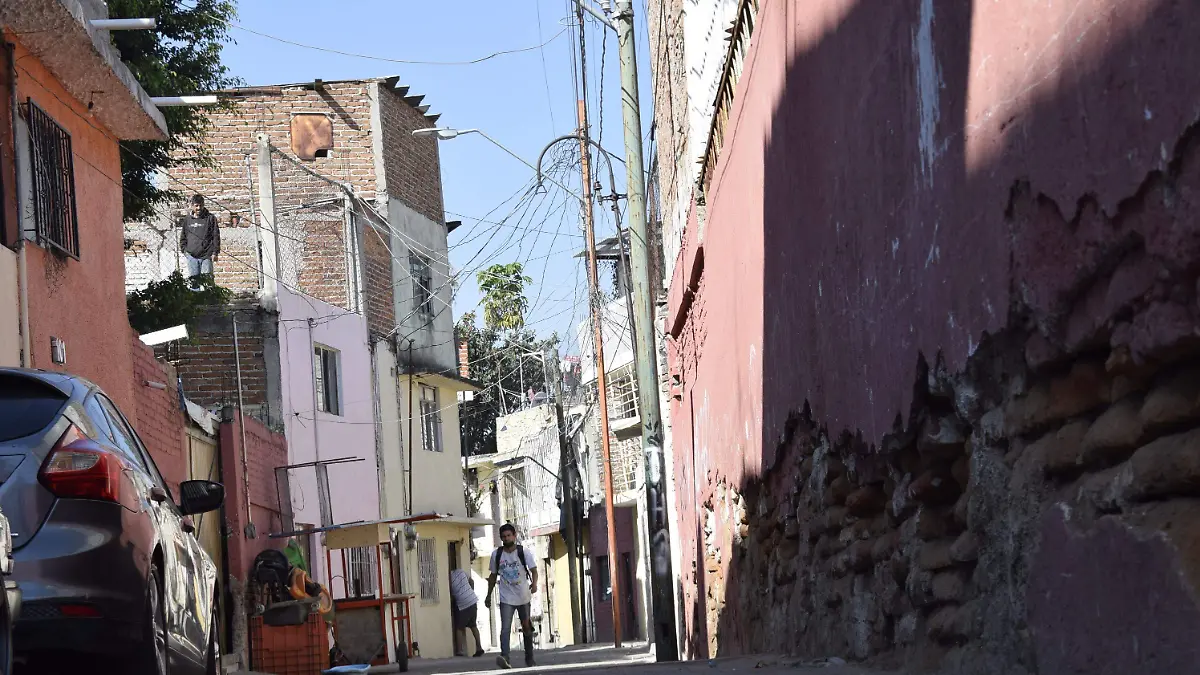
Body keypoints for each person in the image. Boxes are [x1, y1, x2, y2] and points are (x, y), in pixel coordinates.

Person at [485, 523, 537, 669]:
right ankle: (505, 657)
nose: (506, 539)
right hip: (506, 596)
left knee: (526, 626)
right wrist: (488, 595)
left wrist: (534, 585)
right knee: (505, 628)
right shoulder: (497, 554)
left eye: (509, 536)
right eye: (503, 537)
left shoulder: (523, 552)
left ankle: (529, 657)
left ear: (514, 536)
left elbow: (534, 570)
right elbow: (493, 575)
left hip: (523, 595)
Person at [178, 194, 220, 280]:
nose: (198, 208)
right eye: (196, 205)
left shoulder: (210, 218)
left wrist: (215, 252)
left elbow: (216, 236)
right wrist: (185, 251)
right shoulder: (188, 219)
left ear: (203, 205)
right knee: (194, 283)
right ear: (192, 206)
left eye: (201, 205)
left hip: (206, 256)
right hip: (191, 256)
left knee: (207, 283)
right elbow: (183, 236)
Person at [449, 567, 485, 658]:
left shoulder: (448, 578)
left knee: (459, 627)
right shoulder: (461, 571)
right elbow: (471, 581)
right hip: (472, 599)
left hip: (462, 603)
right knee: (473, 625)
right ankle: (479, 648)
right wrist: (470, 591)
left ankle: (460, 651)